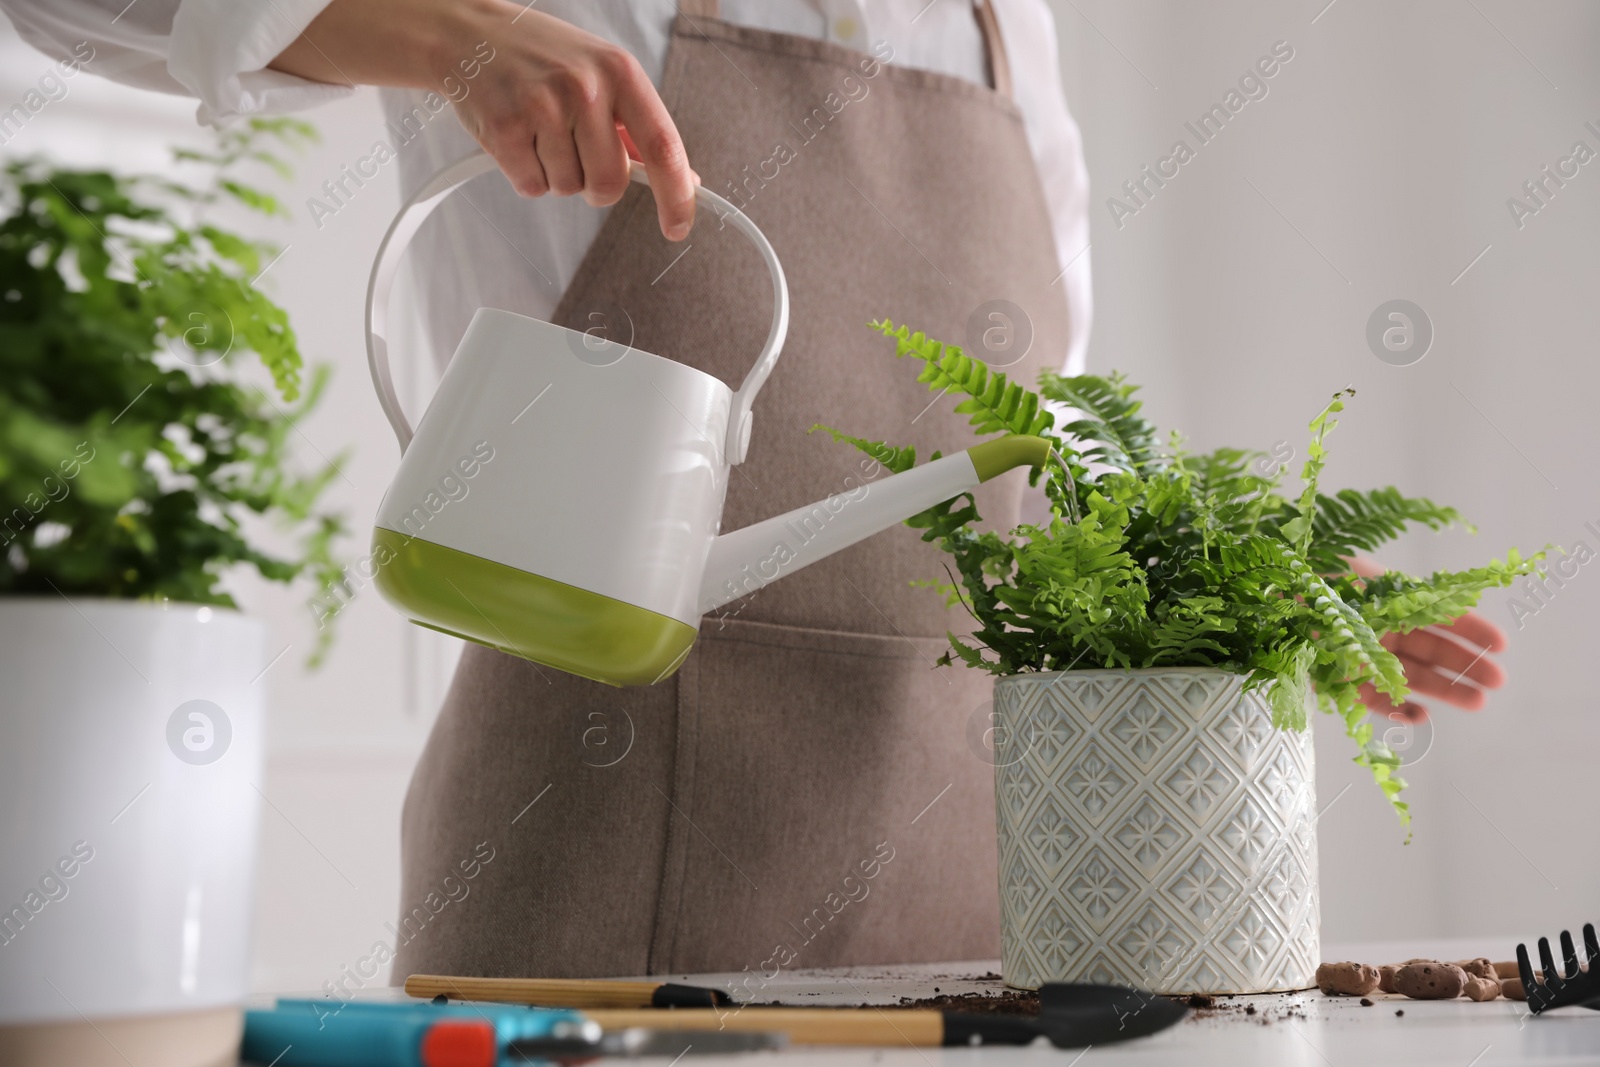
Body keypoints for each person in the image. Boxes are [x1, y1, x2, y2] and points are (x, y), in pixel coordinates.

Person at [3, 0, 1508, 980]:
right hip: (594, 889)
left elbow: (1025, 440)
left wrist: (1239, 584)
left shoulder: (1006, 27)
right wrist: (433, 34)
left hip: (985, 926)